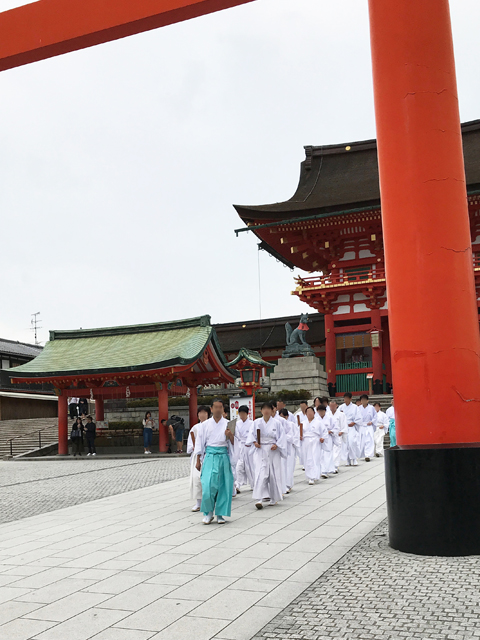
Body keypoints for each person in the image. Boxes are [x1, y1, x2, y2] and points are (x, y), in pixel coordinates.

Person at [194, 398, 235, 525]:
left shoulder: (229, 423)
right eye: (215, 407)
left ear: (223, 409)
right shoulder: (205, 425)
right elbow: (200, 443)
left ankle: (220, 514)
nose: (218, 410)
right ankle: (208, 513)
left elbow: (235, 444)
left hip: (223, 455)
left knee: (223, 486)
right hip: (210, 455)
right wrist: (198, 460)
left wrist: (230, 435)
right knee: (207, 486)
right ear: (211, 409)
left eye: (220, 407)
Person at [247, 401, 287, 509]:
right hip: (260, 450)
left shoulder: (277, 423)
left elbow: (282, 437)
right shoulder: (256, 422)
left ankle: (274, 498)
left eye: (268, 409)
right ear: (261, 411)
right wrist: (254, 442)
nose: (266, 411)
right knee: (261, 473)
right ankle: (259, 498)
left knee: (273, 474)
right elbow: (251, 435)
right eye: (264, 409)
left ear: (272, 410)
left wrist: (277, 444)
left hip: (272, 450)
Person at [187, 405, 211, 512]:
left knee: (208, 480)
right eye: (200, 413)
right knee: (196, 479)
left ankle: (209, 501)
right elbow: (191, 443)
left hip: (209, 454)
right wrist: (193, 447)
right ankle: (198, 502)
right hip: (197, 455)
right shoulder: (195, 428)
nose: (202, 415)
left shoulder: (211, 426)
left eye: (204, 413)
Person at [301, 406, 326, 485]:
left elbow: (324, 431)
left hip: (315, 441)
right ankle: (309, 476)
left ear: (314, 413)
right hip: (306, 441)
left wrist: (322, 438)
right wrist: (299, 437)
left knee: (314, 458)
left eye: (311, 412)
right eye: (307, 412)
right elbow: (299, 432)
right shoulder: (303, 423)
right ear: (305, 414)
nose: (309, 414)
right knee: (307, 459)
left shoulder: (318, 422)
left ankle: (314, 476)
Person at [234, 405, 255, 490]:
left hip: (248, 446)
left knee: (250, 466)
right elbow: (236, 435)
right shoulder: (237, 424)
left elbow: (253, 435)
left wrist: (249, 442)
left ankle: (254, 484)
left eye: (243, 414)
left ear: (247, 414)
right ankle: (237, 485)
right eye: (240, 414)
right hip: (240, 446)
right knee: (239, 466)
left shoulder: (252, 423)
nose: (242, 415)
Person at [278, 407, 299, 493]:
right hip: (280, 448)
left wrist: (284, 438)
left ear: (287, 417)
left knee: (289, 467)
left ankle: (288, 484)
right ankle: (282, 485)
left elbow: (294, 437)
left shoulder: (291, 425)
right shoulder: (277, 424)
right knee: (281, 467)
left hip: (289, 448)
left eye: (283, 417)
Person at [338, 392, 361, 466]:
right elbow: (337, 417)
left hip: (351, 427)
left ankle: (354, 459)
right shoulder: (341, 407)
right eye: (344, 398)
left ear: (350, 399)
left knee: (352, 442)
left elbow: (359, 417)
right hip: (344, 427)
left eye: (347, 398)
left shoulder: (355, 407)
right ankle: (347, 460)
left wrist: (354, 422)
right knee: (345, 444)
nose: (345, 400)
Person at [317, 404, 336, 478]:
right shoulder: (316, 419)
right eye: (319, 411)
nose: (321, 413)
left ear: (325, 411)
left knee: (327, 454)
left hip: (328, 438)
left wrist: (330, 431)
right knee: (320, 454)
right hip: (319, 438)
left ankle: (325, 471)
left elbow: (336, 428)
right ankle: (321, 470)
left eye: (322, 411)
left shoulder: (330, 418)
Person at [357, 394, 376, 462]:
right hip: (362, 426)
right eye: (362, 400)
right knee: (362, 441)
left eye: (365, 400)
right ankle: (363, 454)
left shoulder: (371, 408)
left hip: (369, 426)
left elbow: (375, 417)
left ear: (367, 400)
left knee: (369, 440)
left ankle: (368, 455)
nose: (363, 401)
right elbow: (357, 417)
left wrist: (372, 422)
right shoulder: (358, 408)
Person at [330, 400, 348, 469]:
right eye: (330, 406)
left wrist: (342, 431)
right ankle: (330, 465)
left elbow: (344, 424)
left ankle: (335, 465)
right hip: (330, 435)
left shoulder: (341, 414)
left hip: (338, 435)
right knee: (330, 451)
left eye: (333, 406)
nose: (332, 407)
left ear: (336, 406)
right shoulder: (327, 414)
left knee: (337, 451)